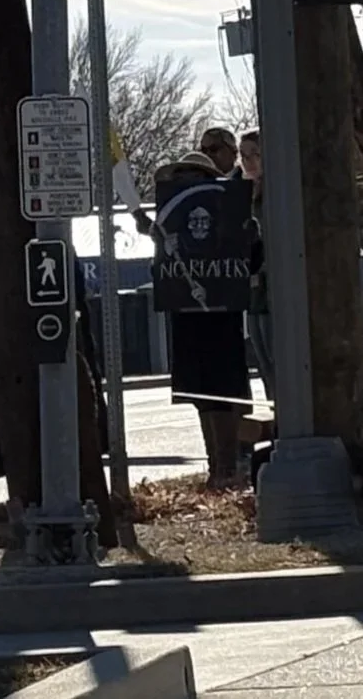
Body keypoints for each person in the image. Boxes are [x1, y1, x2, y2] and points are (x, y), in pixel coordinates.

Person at [151, 150, 252, 490]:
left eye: (192, 176)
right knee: (199, 394)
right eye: (180, 177)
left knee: (223, 395)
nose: (184, 182)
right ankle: (215, 468)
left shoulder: (233, 217)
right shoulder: (170, 224)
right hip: (187, 318)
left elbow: (250, 260)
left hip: (220, 318)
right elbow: (163, 271)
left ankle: (228, 467)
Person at [237, 129, 272, 402]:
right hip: (253, 290)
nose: (249, 161)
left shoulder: (275, 195)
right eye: (244, 155)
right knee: (263, 363)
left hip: (275, 287)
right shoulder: (241, 196)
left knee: (277, 356)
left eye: (255, 154)